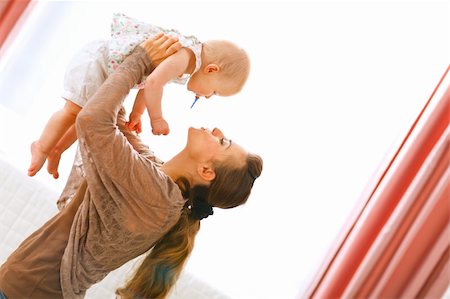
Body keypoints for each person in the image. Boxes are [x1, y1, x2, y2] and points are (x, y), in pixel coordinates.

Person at [0, 34, 262, 299]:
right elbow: (114, 122)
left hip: (28, 288)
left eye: (224, 142)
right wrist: (151, 71)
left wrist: (140, 60)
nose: (217, 131)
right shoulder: (160, 183)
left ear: (206, 171)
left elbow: (94, 122)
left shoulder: (155, 196)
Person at [27, 12, 250, 179]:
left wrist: (137, 112)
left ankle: (57, 149)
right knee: (74, 111)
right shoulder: (185, 55)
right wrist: (157, 118)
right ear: (211, 70)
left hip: (109, 73)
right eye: (215, 92)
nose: (209, 97)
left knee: (85, 118)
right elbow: (154, 83)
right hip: (97, 62)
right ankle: (42, 146)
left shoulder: (188, 65)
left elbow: (150, 80)